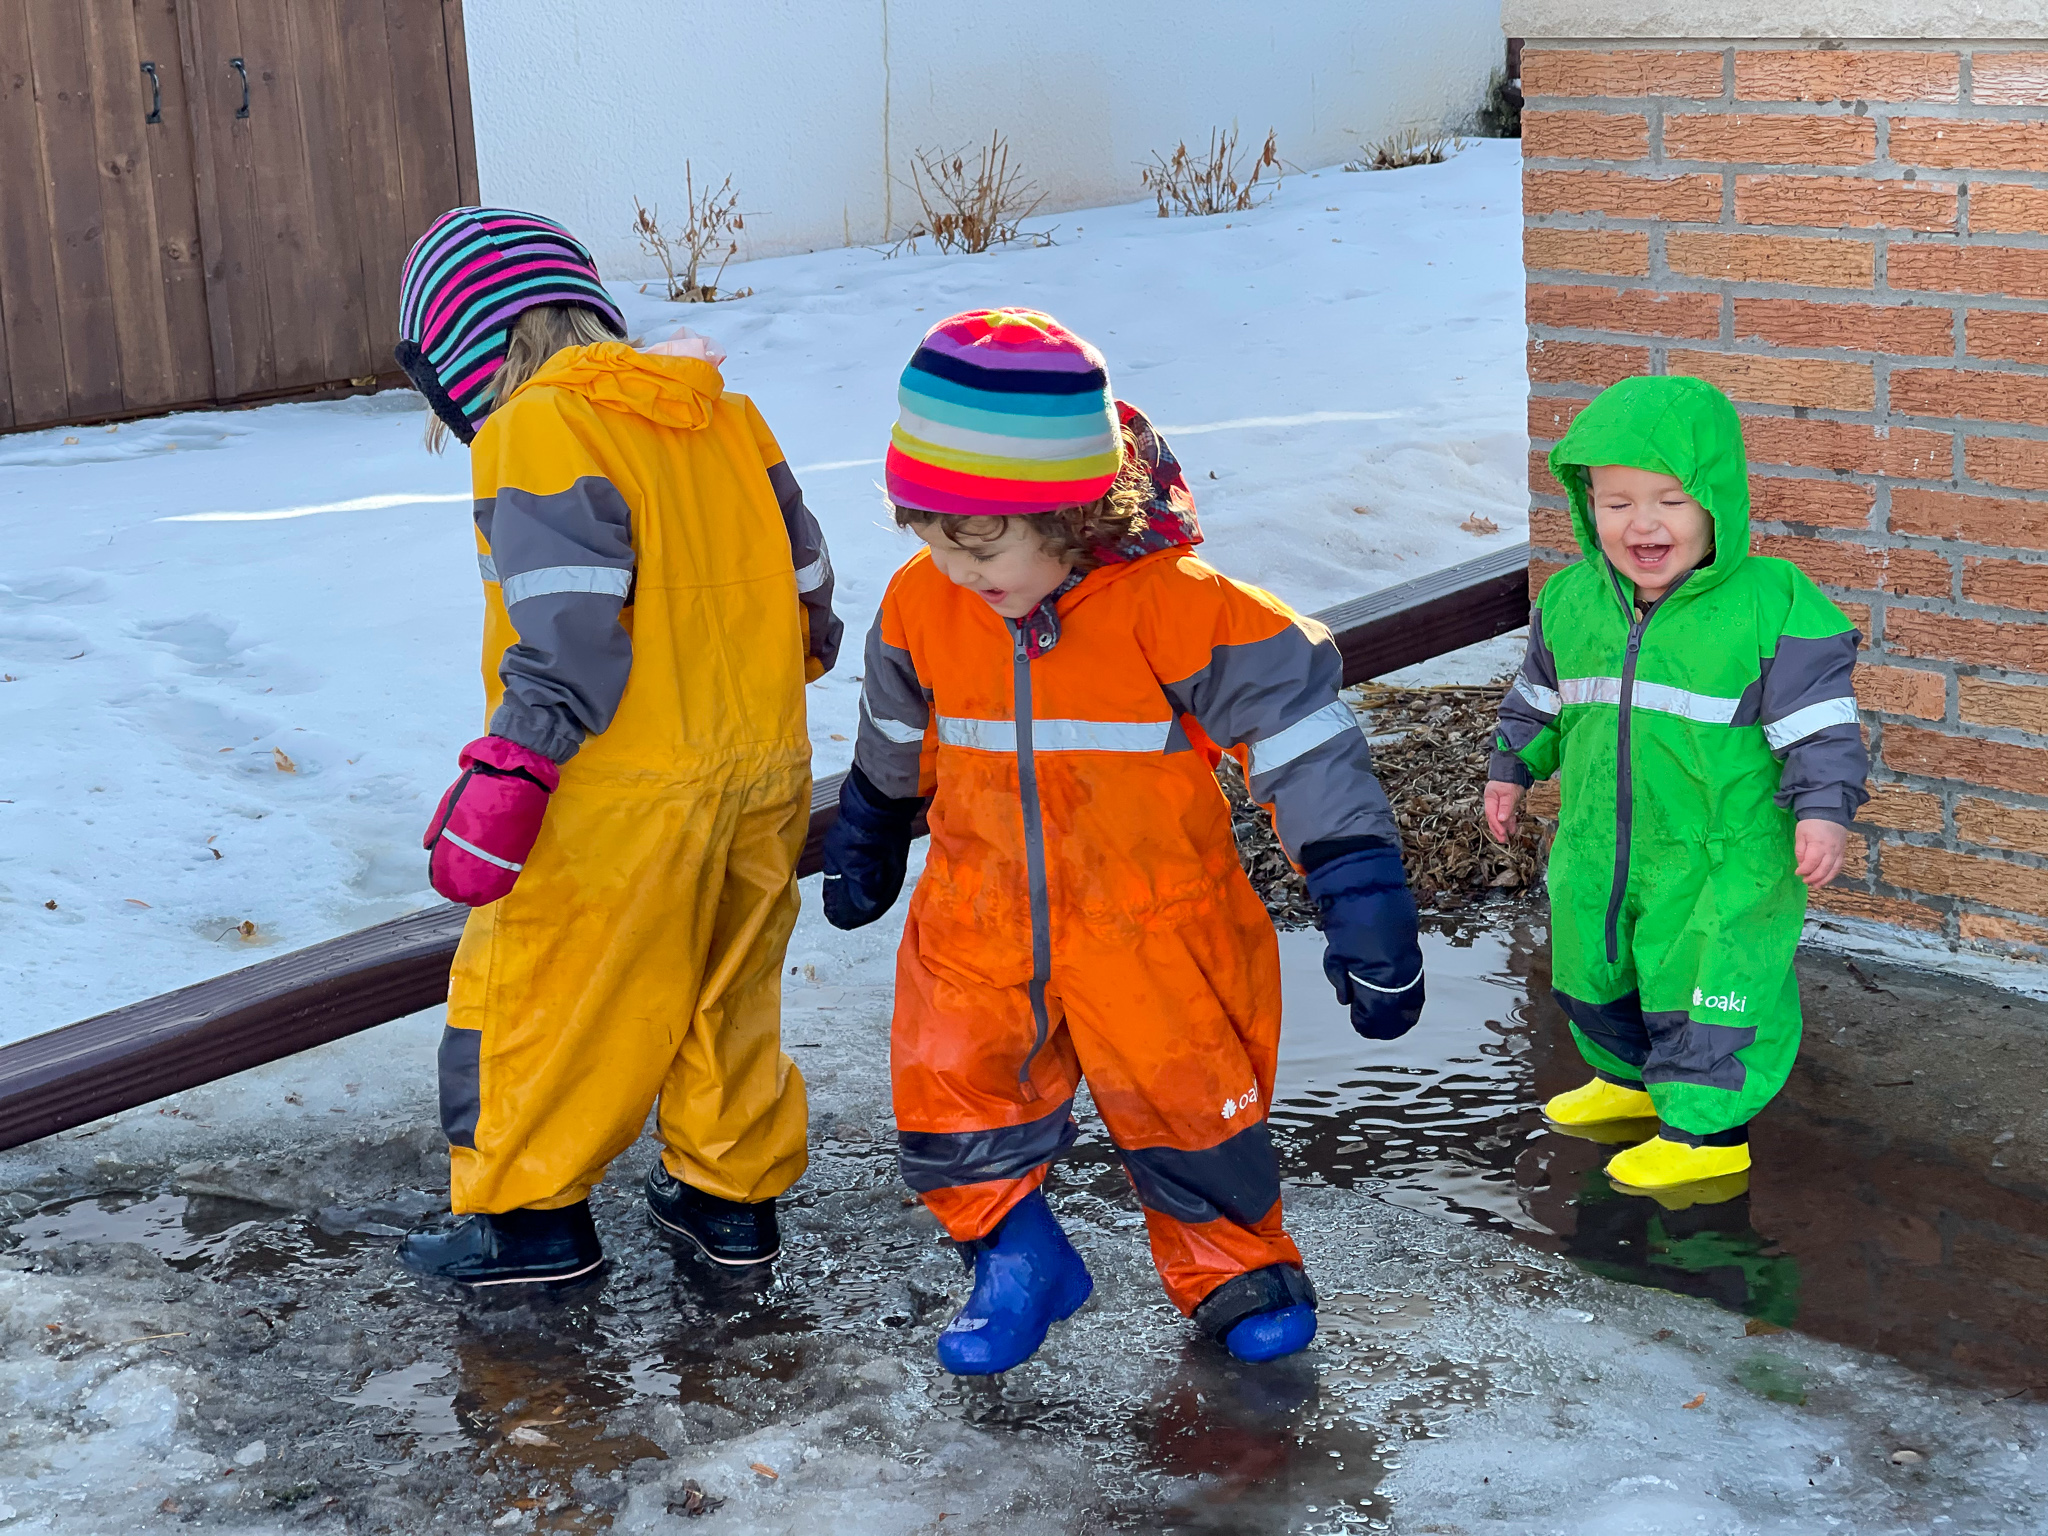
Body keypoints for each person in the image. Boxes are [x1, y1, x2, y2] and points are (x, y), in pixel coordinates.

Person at [821, 308, 1425, 1371]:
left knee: (1190, 1107)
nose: (958, 573)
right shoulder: (928, 602)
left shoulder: (1181, 610)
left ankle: (1235, 1267)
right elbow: (893, 720)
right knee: (949, 1096)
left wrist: (1357, 885)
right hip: (979, 913)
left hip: (1155, 920)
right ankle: (1014, 1257)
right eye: (929, 541)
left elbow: (1302, 740)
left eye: (980, 545)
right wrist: (870, 820)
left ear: (1070, 511)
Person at [388, 207, 841, 1287]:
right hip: (758, 767)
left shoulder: (535, 430)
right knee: (727, 988)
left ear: (460, 352)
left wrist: (516, 760)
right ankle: (726, 1204)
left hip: (616, 790)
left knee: (544, 991)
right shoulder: (722, 412)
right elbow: (806, 586)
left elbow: (569, 618)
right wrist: (771, 678)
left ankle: (528, 1222)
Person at [1485, 375, 1865, 1190]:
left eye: (1670, 500)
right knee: (1596, 965)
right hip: (1603, 838)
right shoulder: (1572, 601)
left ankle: (1706, 1135)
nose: (1642, 523)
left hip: (1725, 852)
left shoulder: (1774, 604)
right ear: (1588, 507)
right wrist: (1511, 765)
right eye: (1616, 502)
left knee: (1708, 982)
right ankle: (1627, 1083)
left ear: (1716, 504)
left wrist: (1823, 811)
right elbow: (1540, 699)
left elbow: (1821, 726)